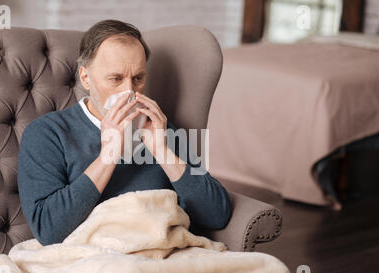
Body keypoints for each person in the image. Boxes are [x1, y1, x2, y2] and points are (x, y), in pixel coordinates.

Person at [17, 19, 232, 246]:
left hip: (160, 255)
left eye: (138, 78)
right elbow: (49, 231)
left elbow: (217, 215)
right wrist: (108, 156)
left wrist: (162, 151)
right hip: (93, 260)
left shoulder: (159, 128)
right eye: (116, 79)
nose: (129, 91)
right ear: (86, 78)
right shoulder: (48, 133)